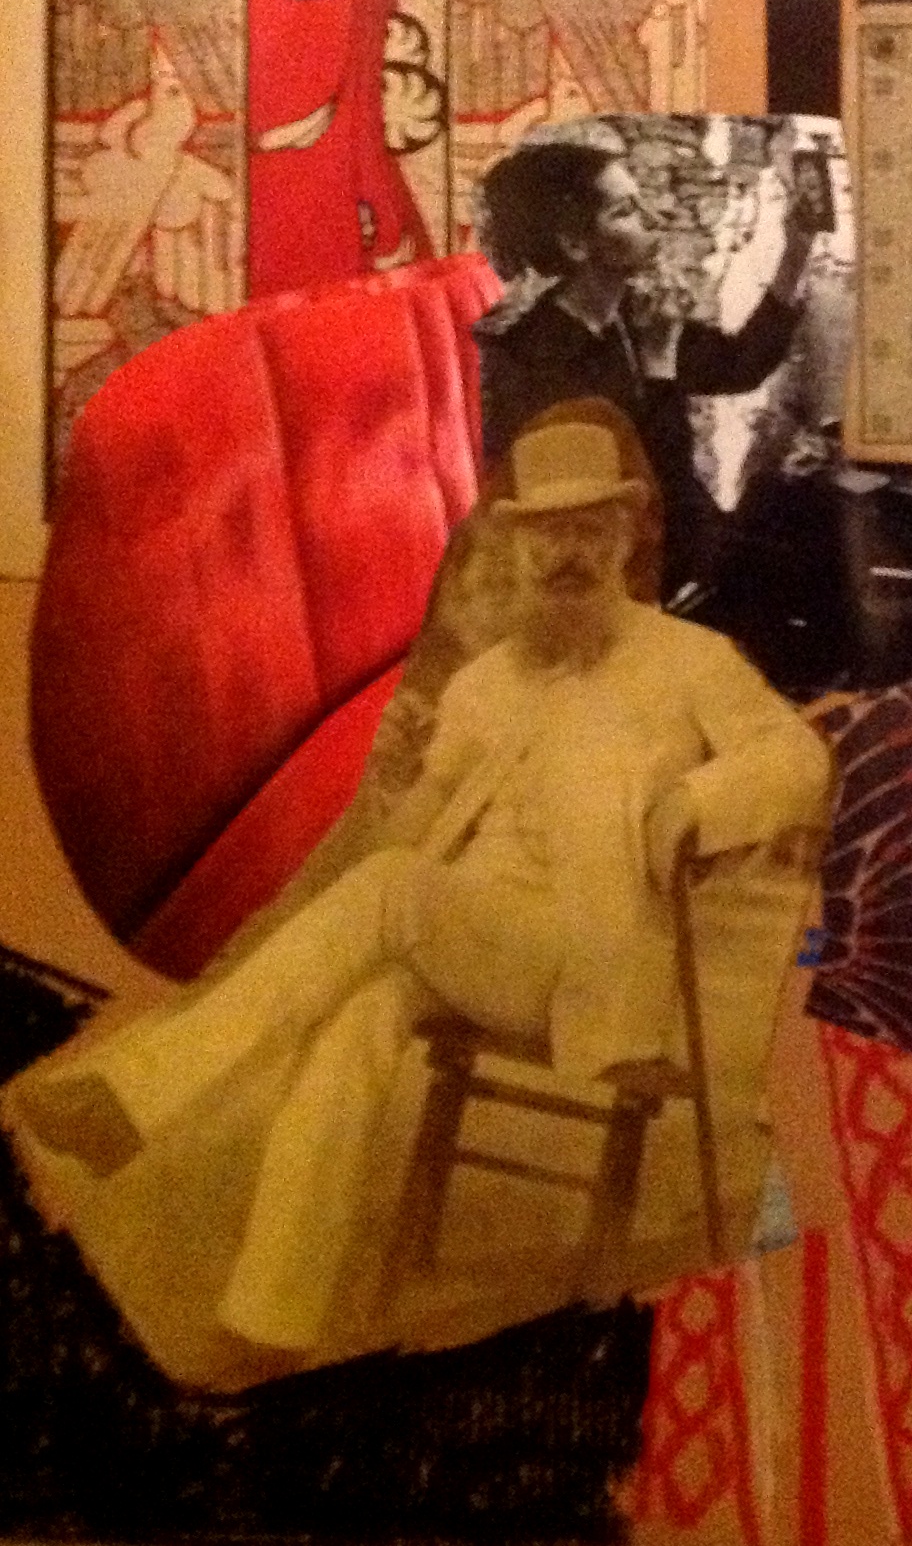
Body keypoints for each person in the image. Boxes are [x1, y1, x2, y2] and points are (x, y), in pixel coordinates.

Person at [6, 416, 832, 1377]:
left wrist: (695, 802)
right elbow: (407, 851)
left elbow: (797, 760)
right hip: (472, 949)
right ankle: (274, 1311)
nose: (566, 553)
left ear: (624, 535)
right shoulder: (484, 686)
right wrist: (393, 785)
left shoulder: (688, 662)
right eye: (545, 532)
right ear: (515, 546)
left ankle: (142, 1098)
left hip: (589, 969)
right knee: (355, 1020)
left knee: (393, 896)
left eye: (587, 529)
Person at [475, 134, 829, 598]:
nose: (654, 218)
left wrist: (796, 246)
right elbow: (644, 492)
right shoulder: (537, 357)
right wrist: (660, 367)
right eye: (625, 211)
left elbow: (740, 365)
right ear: (576, 244)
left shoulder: (631, 314)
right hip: (631, 579)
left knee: (814, 514)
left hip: (689, 546)